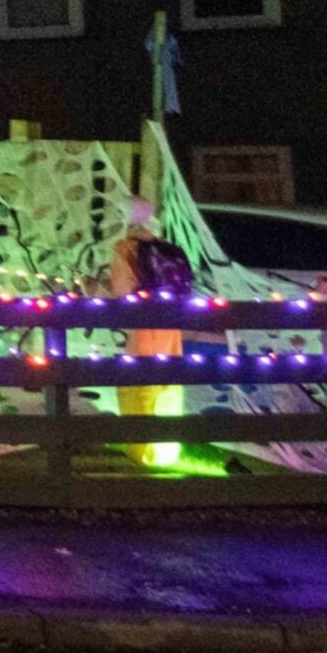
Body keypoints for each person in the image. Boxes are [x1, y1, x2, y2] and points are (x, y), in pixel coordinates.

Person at [106, 199, 201, 466]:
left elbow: (122, 292)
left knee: (140, 383)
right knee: (168, 383)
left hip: (143, 325)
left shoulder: (126, 248)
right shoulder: (169, 250)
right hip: (170, 326)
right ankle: (166, 450)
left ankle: (143, 452)